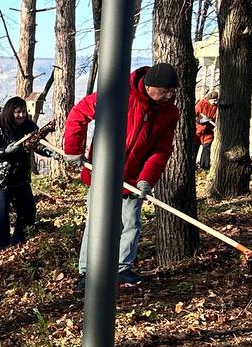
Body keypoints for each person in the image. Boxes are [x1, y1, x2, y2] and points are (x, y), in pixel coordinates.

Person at [63, 63, 180, 289]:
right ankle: (87, 272)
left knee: (131, 224)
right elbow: (79, 114)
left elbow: (162, 150)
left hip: (134, 179)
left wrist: (147, 178)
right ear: (149, 86)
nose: (169, 96)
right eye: (164, 91)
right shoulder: (119, 93)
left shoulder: (169, 113)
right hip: (102, 173)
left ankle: (122, 268)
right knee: (97, 222)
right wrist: (73, 149)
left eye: (172, 92)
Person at [0, 98, 43, 249]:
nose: (21, 115)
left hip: (20, 178)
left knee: (28, 209)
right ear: (10, 112)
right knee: (1, 213)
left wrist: (55, 154)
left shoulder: (30, 127)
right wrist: (5, 151)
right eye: (17, 112)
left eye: (23, 111)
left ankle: (19, 241)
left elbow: (39, 146)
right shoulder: (0, 128)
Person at [195, 90, 218, 170]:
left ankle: (204, 166)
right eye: (214, 100)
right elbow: (194, 114)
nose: (215, 102)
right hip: (198, 130)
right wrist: (200, 120)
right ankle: (192, 165)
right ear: (209, 99)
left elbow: (216, 119)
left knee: (206, 148)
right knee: (195, 148)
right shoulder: (201, 103)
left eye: (216, 100)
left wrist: (211, 120)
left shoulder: (216, 107)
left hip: (208, 132)